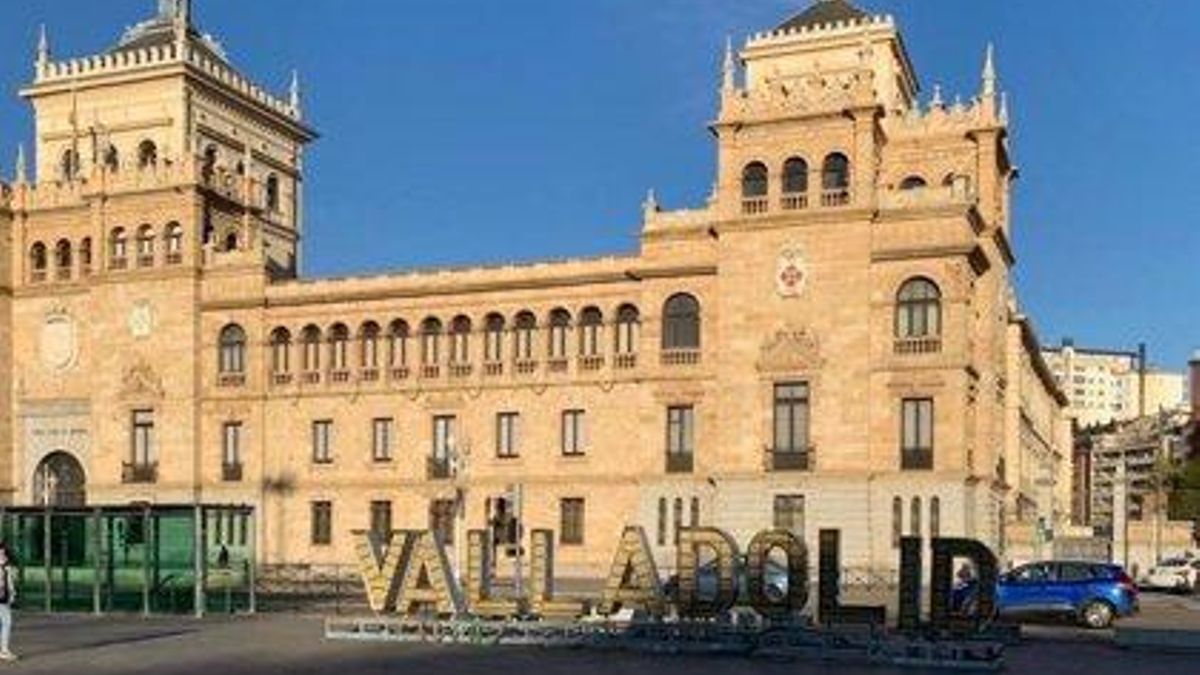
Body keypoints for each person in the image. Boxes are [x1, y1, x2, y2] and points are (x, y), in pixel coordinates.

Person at [0, 543, 16, 661]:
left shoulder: (7, 567)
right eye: (0, 553)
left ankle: (3, 650)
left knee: (4, 623)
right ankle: (4, 651)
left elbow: (9, 584)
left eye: (4, 553)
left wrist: (12, 595)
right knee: (7, 622)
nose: (3, 555)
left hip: (4, 599)